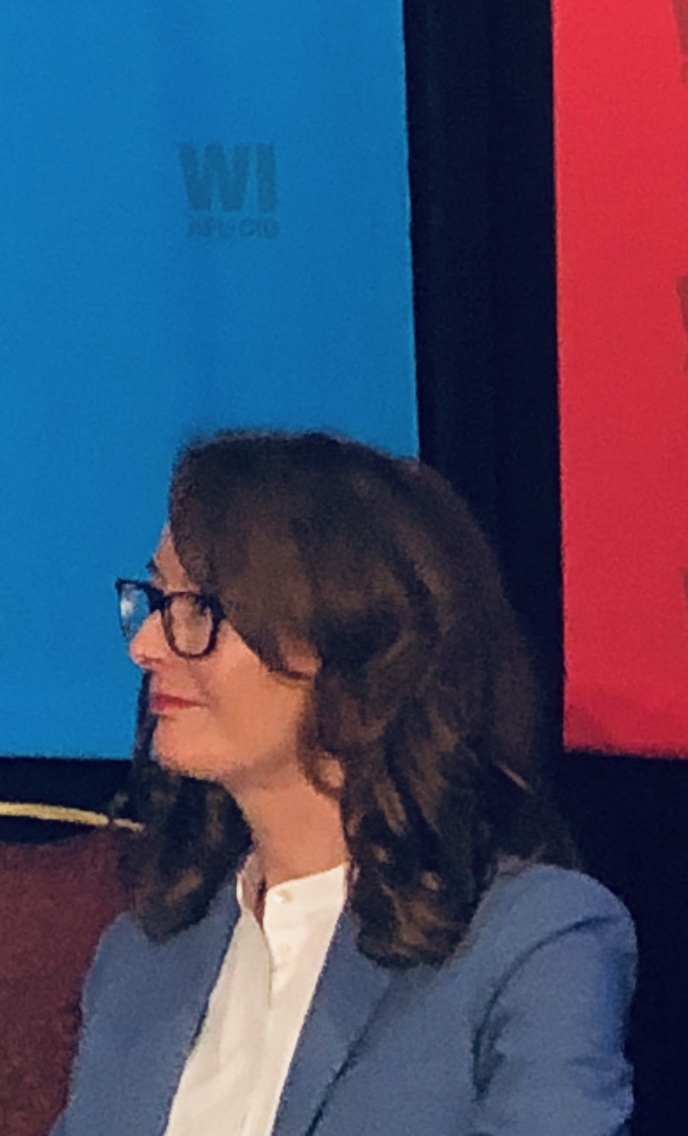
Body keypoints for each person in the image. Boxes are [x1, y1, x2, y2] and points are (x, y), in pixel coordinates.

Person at [48, 430, 633, 1136]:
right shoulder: (142, 957)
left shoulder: (532, 943)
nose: (147, 645)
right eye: (155, 598)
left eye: (197, 609)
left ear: (339, 640)